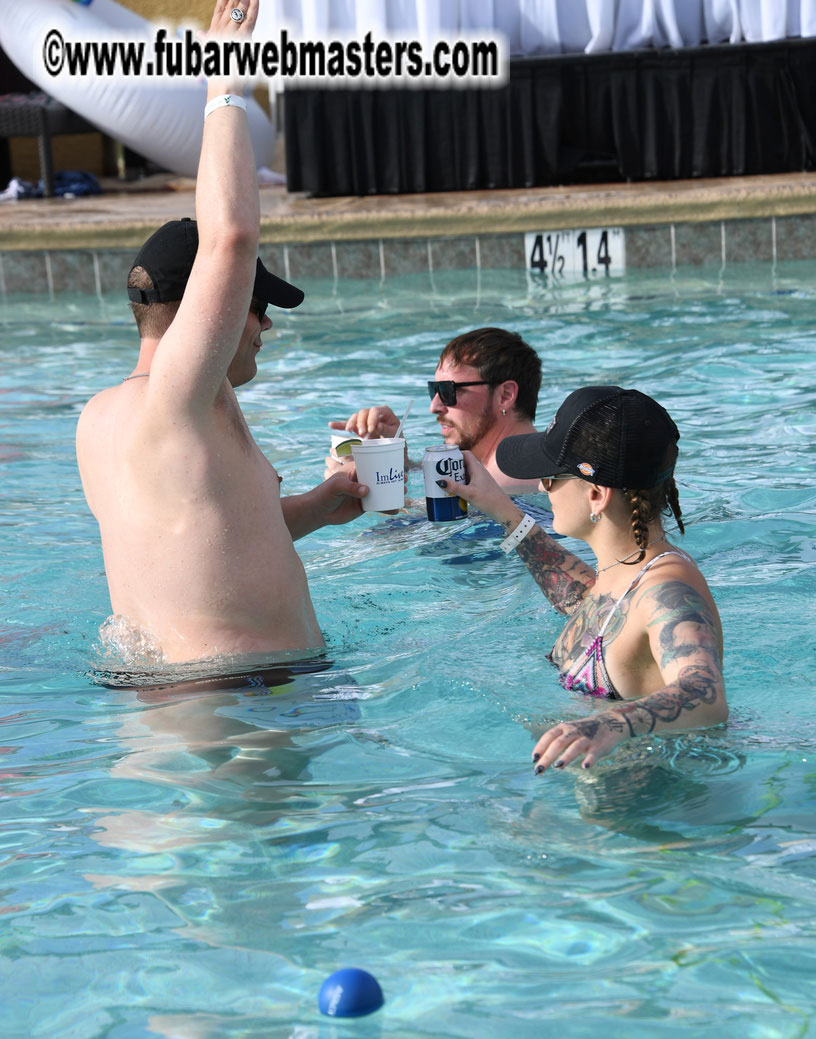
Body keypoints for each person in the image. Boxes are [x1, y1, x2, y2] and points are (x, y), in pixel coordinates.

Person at [76, 0, 367, 674]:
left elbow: (200, 541)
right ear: (203, 309)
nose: (264, 323)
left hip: (171, 697)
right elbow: (231, 239)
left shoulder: (101, 420)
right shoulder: (180, 398)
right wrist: (225, 82)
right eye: (254, 305)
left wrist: (319, 509)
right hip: (241, 698)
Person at [438, 386, 728, 772]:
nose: (542, 486)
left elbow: (704, 693)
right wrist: (503, 512)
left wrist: (610, 724)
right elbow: (591, 605)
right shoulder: (629, 571)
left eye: (551, 478)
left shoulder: (667, 590)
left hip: (650, 818)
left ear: (596, 494)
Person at [326, 327, 544, 494]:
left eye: (448, 391)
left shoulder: (519, 476)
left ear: (505, 396)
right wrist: (398, 462)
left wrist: (366, 492)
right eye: (434, 390)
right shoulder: (489, 467)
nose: (434, 407)